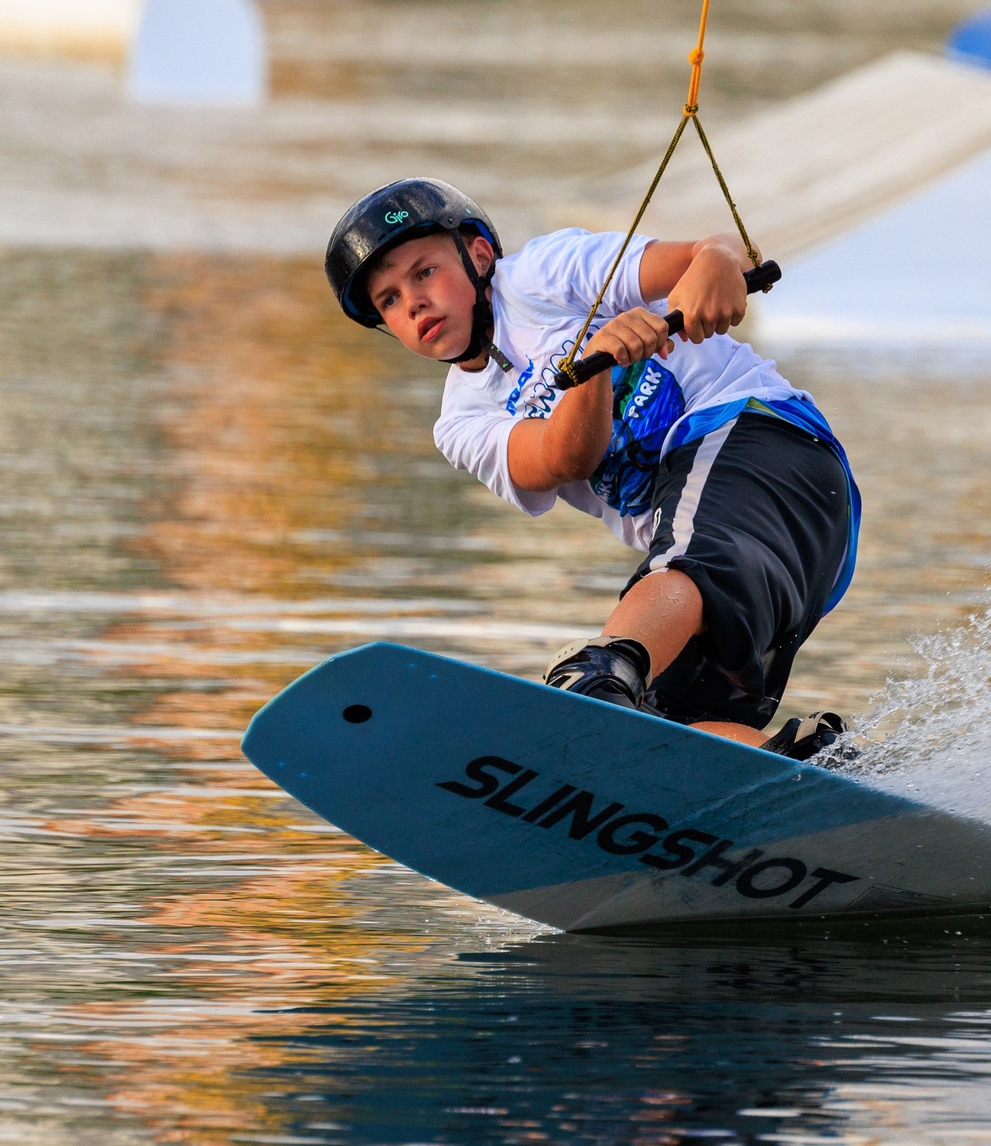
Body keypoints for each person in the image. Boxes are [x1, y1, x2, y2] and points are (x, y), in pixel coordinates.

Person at [324, 178, 859, 762]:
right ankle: (813, 771)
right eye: (389, 301)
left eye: (423, 272)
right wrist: (594, 364)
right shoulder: (460, 421)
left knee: (629, 649)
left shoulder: (541, 275)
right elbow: (562, 457)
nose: (414, 302)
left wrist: (717, 264)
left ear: (479, 257)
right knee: (658, 731)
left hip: (769, 446)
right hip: (753, 559)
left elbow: (714, 253)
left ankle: (601, 670)